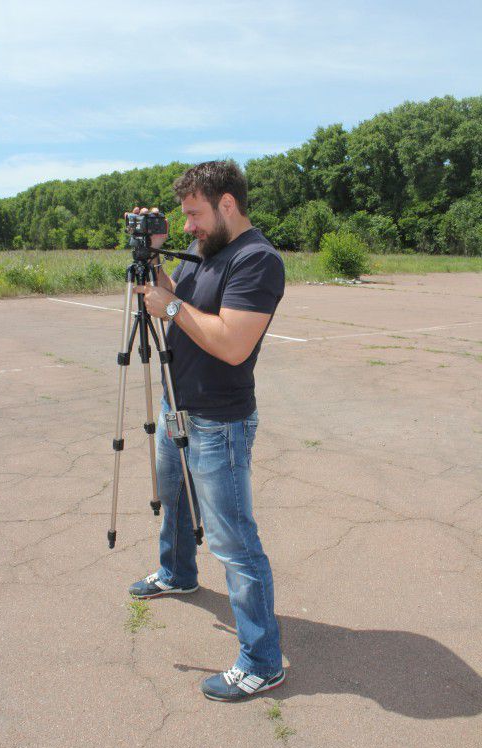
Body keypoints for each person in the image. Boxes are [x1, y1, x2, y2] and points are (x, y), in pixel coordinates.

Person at [128, 160, 285, 702]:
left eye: (194, 214)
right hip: (178, 403)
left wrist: (170, 305)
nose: (188, 225)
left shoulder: (257, 260)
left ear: (227, 204)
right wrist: (152, 255)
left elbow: (232, 343)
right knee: (174, 498)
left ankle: (262, 661)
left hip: (219, 420)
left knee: (234, 541)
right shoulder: (205, 248)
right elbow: (180, 299)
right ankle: (177, 572)